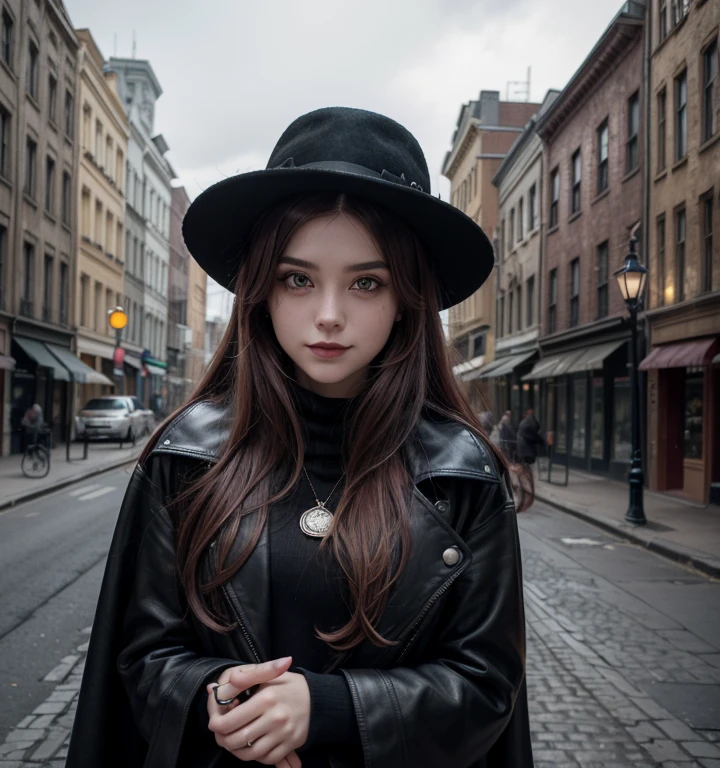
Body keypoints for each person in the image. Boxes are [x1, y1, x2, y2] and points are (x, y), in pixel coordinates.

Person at [66, 107, 534, 768]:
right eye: (298, 279)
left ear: (406, 297)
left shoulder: (463, 477)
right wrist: (220, 695)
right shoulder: (186, 460)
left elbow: (486, 686)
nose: (329, 316)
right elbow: (142, 658)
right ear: (261, 290)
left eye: (366, 282)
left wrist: (329, 709)